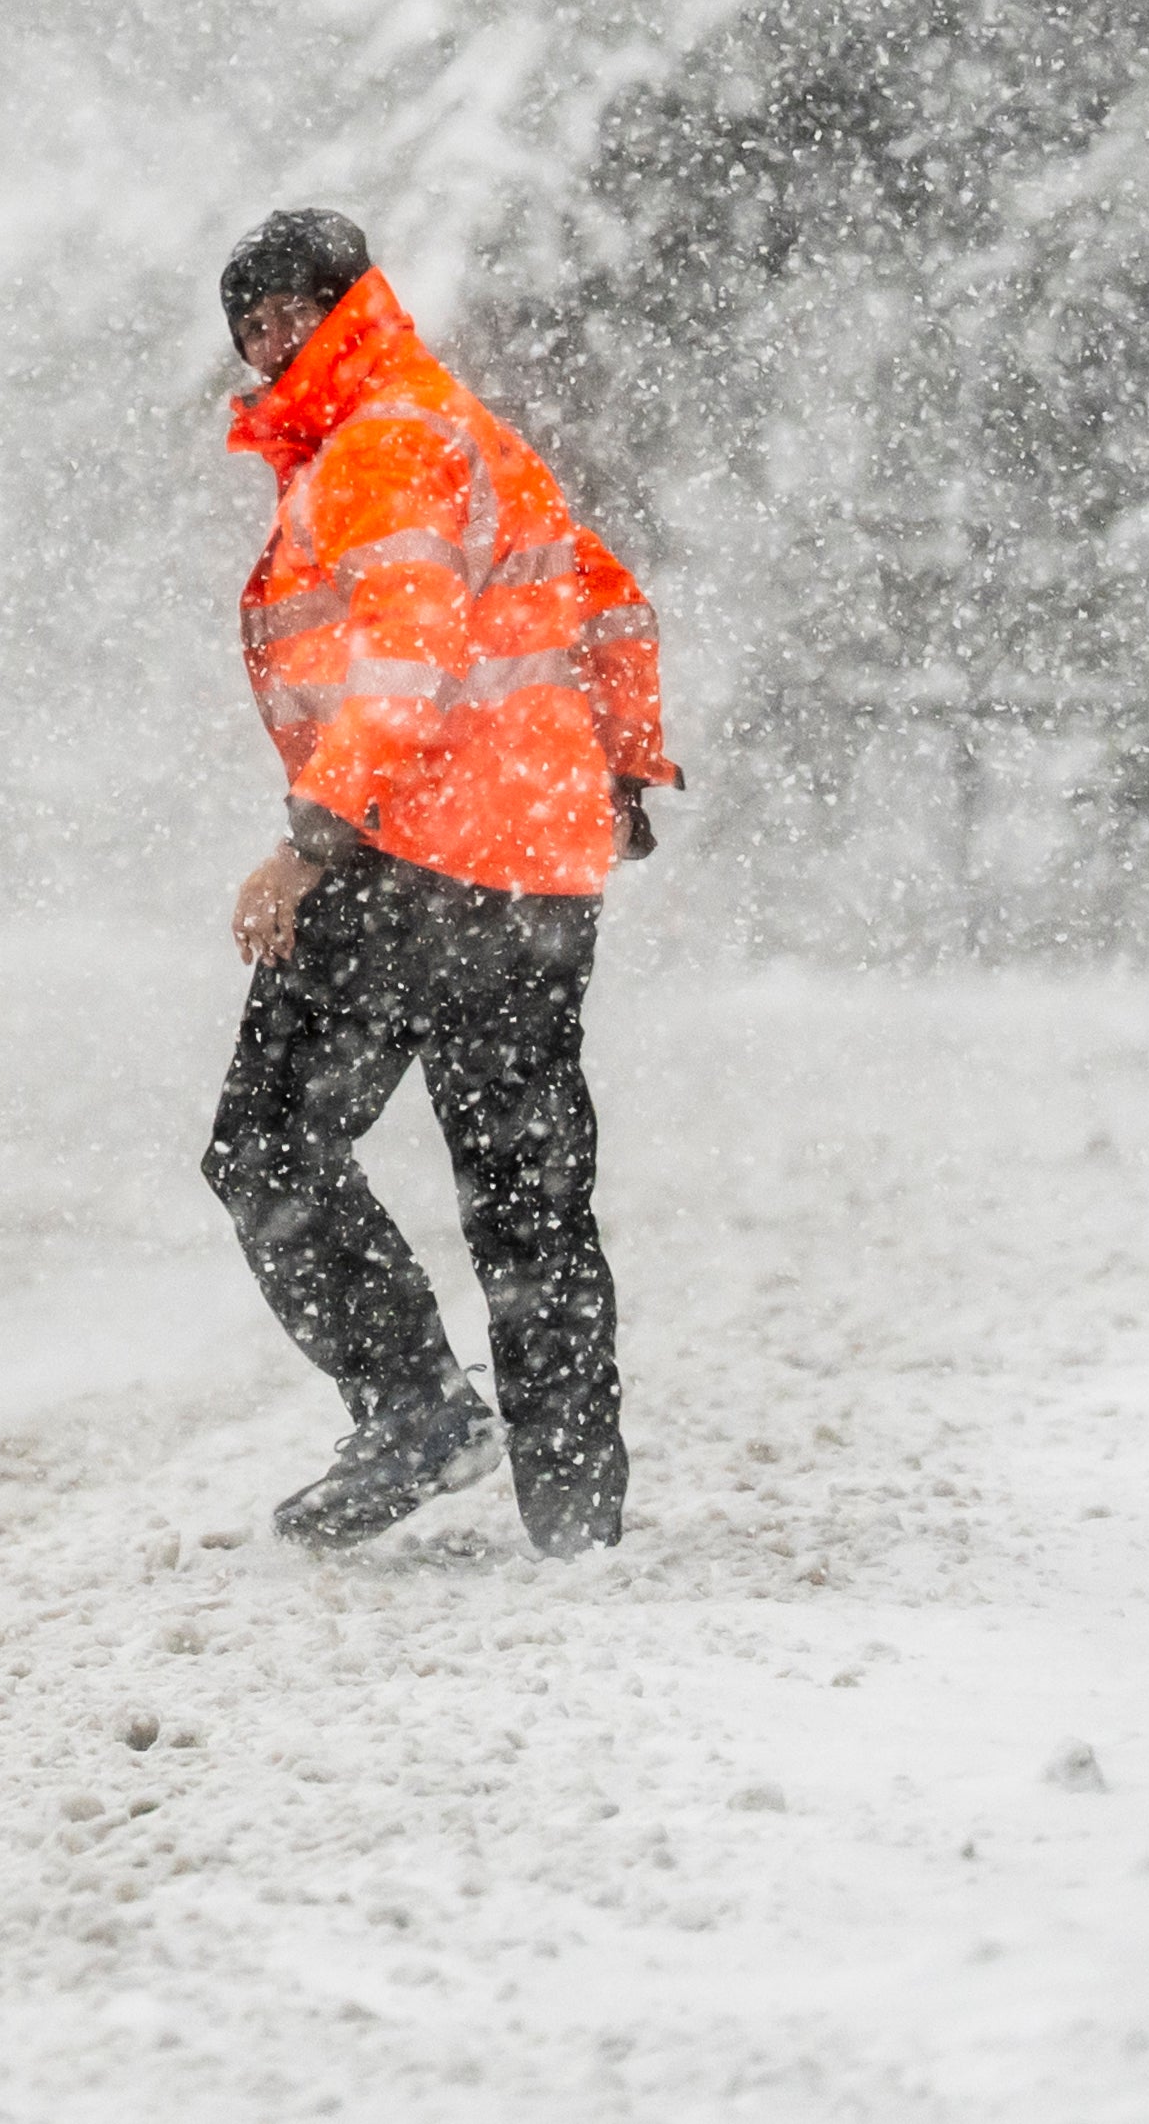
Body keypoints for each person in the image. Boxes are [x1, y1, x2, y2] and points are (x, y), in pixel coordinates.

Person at [198, 207, 676, 1555]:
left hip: (416, 862)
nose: (265, 339)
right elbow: (607, 595)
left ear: (351, 303)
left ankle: (416, 1409)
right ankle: (576, 1518)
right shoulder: (460, 426)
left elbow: (404, 668)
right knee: (530, 1194)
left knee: (268, 1143)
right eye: (246, 322)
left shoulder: (380, 445)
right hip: (534, 866)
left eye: (288, 310)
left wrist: (308, 838)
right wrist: (619, 771)